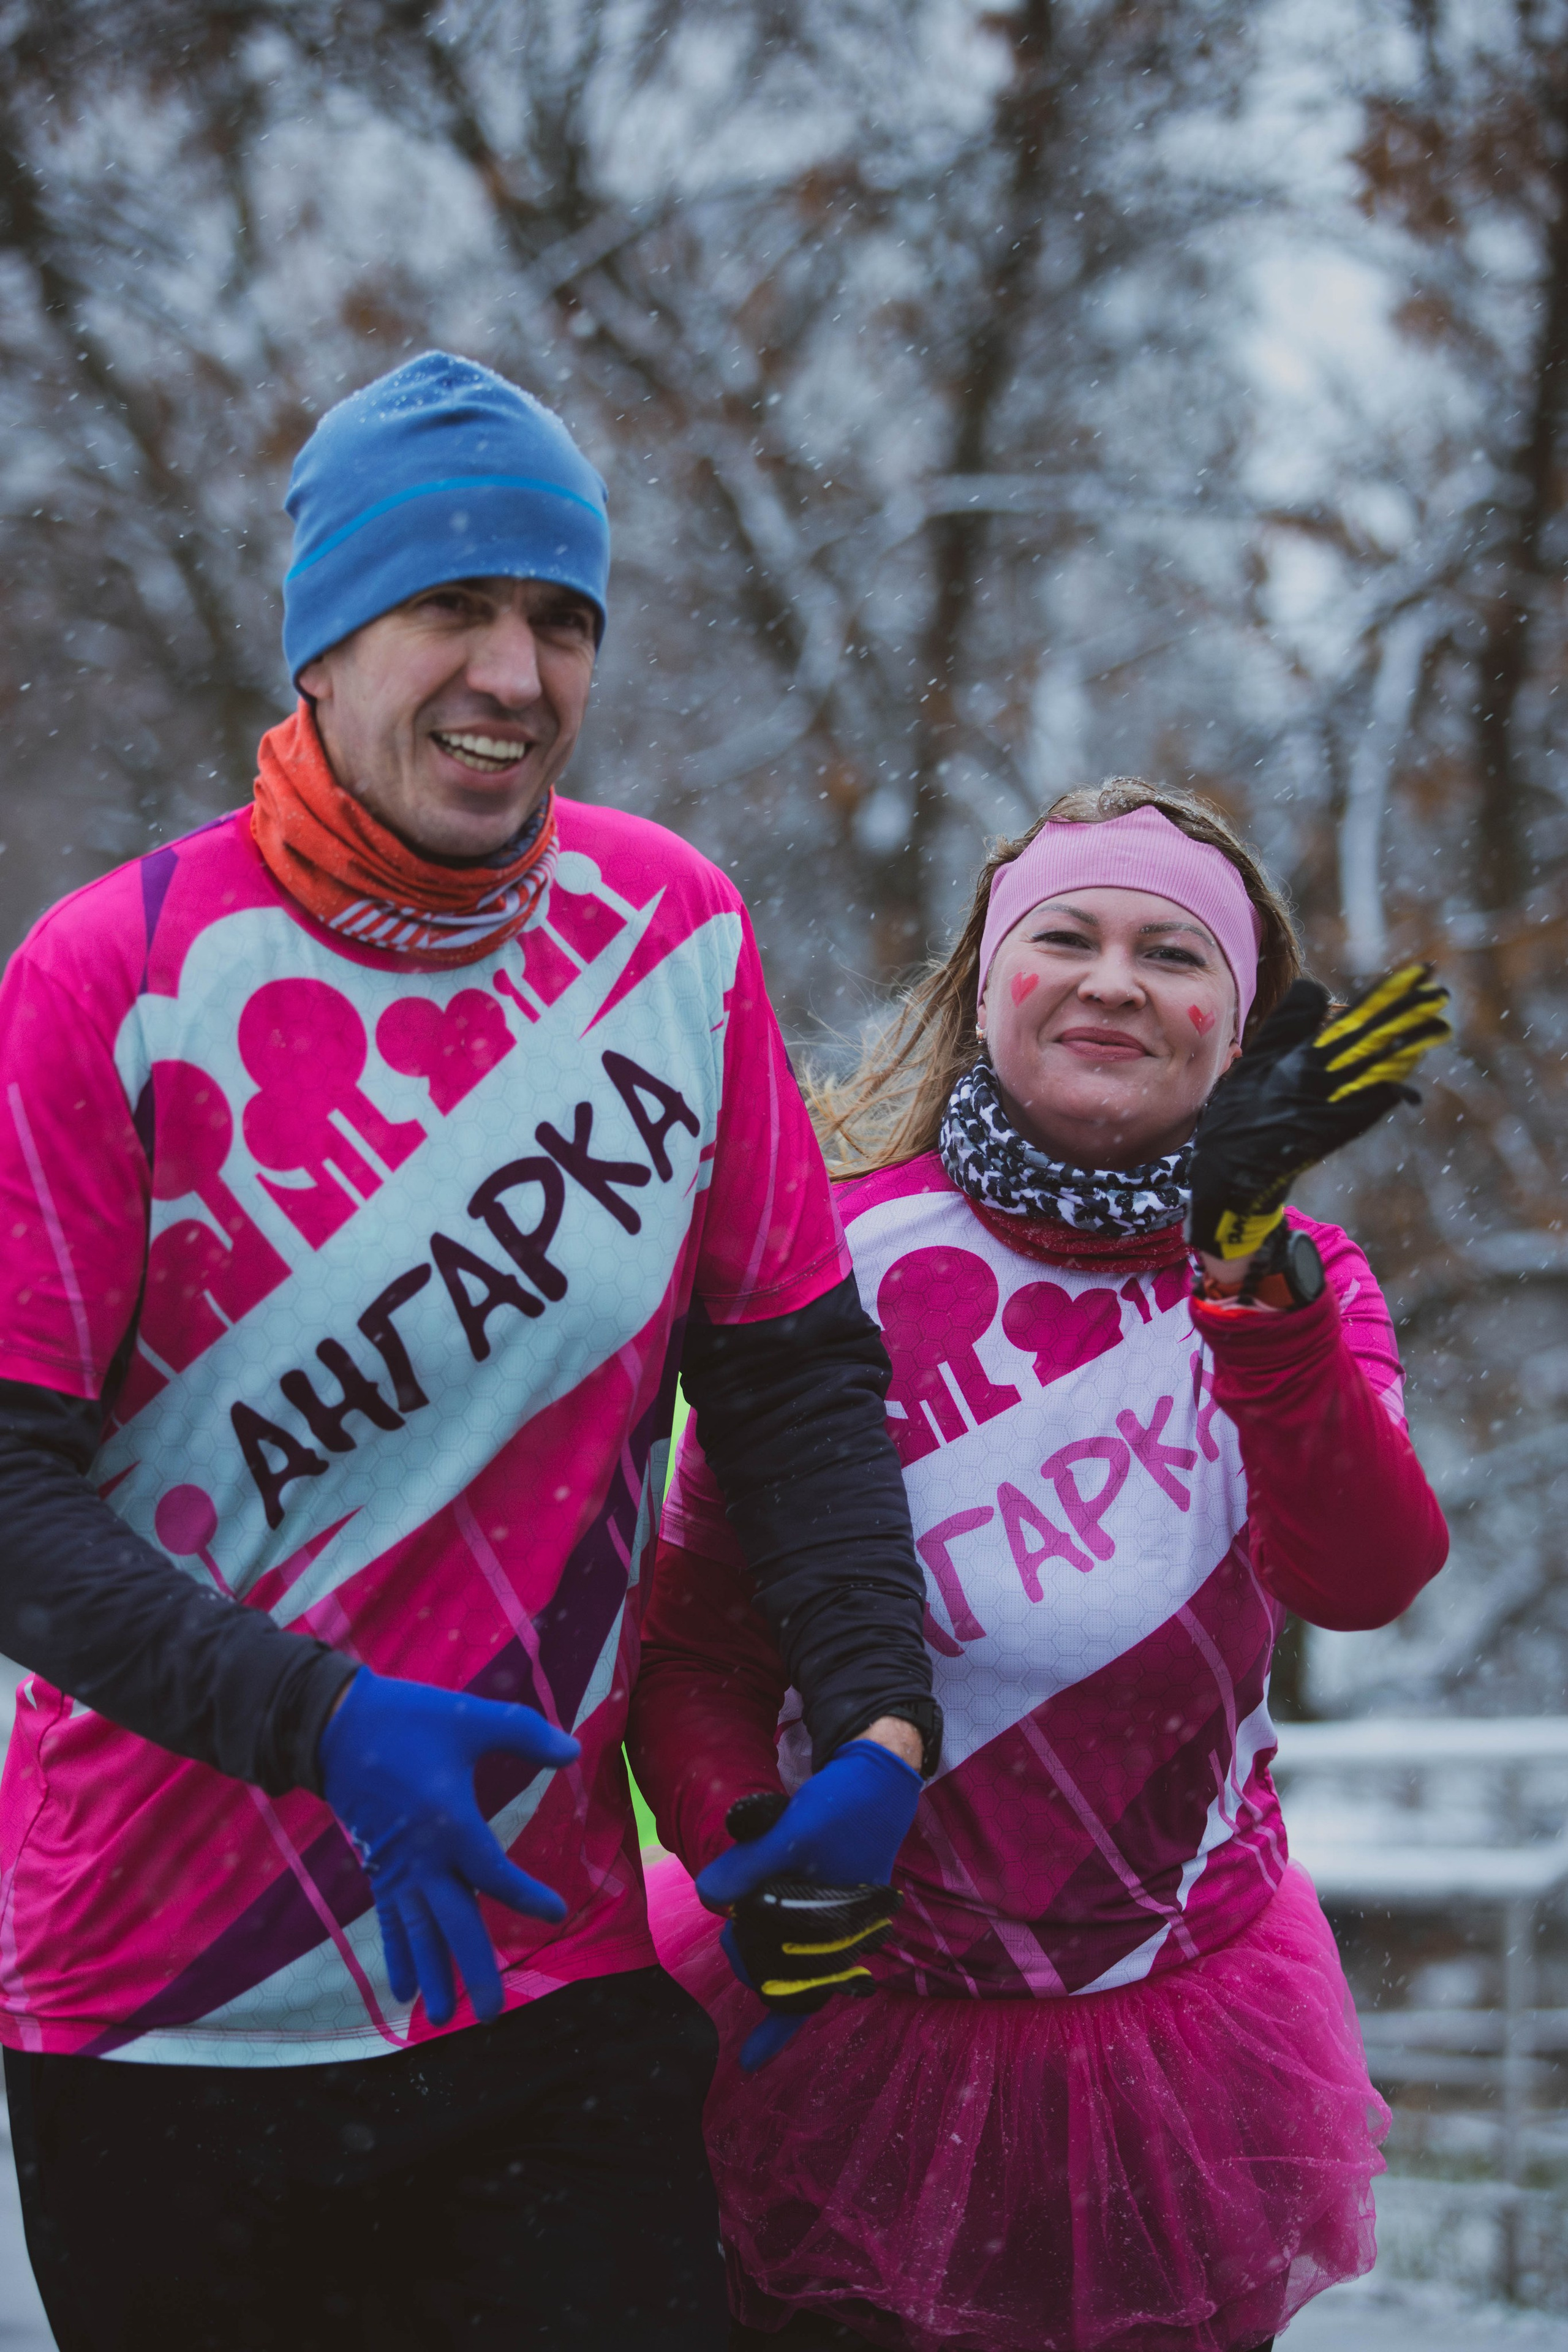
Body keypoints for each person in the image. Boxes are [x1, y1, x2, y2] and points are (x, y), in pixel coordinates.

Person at [0, 351, 942, 2351]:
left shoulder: (668, 936)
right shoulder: (117, 978)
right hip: (164, 2002)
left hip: (547, 1967)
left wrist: (878, 1714)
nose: (517, 673)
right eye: (456, 608)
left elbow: (789, 1377)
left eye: (563, 619)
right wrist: (320, 1721)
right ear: (327, 648)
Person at [628, 780, 1453, 2352]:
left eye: (1172, 954)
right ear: (982, 983)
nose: (1112, 980)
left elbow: (1364, 1576)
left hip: (1184, 2040)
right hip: (850, 2023)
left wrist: (1246, 1279)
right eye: (1063, 936)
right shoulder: (830, 1255)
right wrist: (754, 1835)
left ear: (1235, 1029)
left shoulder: (1301, 1278)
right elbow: (697, 1646)